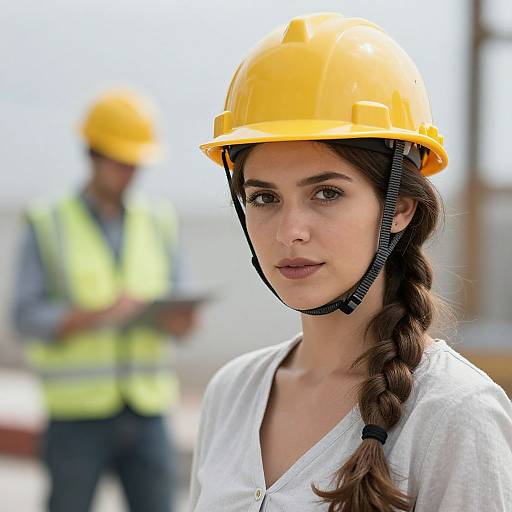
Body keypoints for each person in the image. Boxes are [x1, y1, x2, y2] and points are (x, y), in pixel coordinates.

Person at [189, 12, 512, 512]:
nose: (290, 229)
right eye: (263, 198)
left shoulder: (455, 414)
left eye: (326, 193)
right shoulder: (232, 393)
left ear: (399, 209)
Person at [12, 89, 198, 512]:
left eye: (137, 162)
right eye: (121, 160)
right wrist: (99, 315)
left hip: (148, 407)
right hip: (77, 416)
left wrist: (178, 320)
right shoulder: (48, 221)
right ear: (93, 154)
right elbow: (25, 318)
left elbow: (180, 301)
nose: (131, 171)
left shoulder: (160, 220)